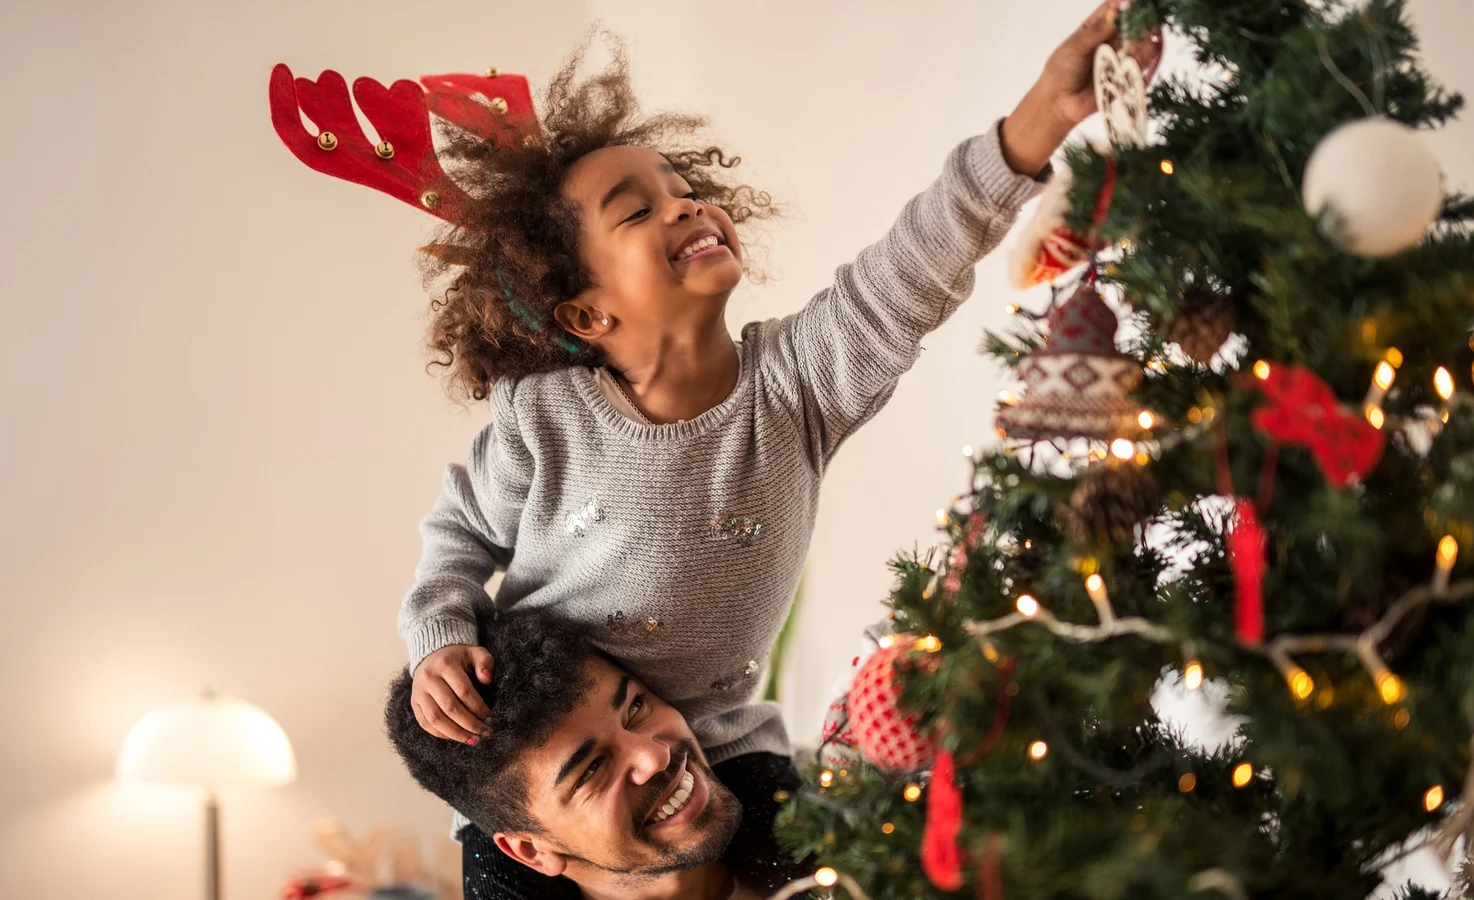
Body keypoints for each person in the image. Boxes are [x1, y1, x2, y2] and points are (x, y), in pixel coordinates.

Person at [274, 0, 1152, 890]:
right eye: (636, 209)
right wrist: (438, 636)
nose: (686, 204)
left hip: (724, 746)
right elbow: (459, 530)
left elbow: (915, 263)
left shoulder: (800, 386)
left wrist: (1043, 113)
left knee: (829, 873)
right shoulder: (544, 416)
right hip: (552, 757)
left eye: (683, 187)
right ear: (586, 311)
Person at [387, 609, 810, 899]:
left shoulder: (854, 810)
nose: (654, 757)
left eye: (636, 708)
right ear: (532, 852)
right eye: (592, 769)